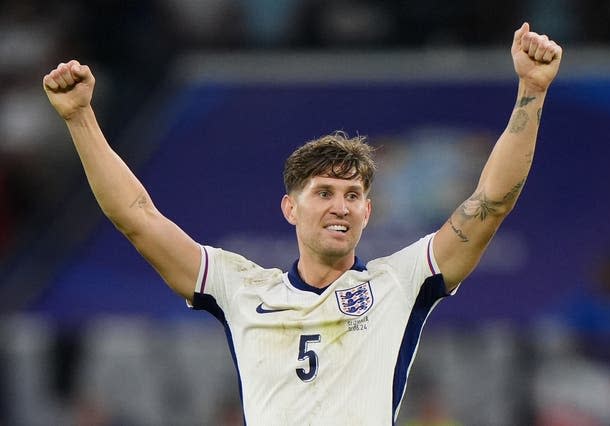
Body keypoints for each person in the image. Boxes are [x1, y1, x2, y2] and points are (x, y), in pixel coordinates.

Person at [43, 23, 562, 425]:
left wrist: (531, 92)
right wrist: (80, 118)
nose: (340, 206)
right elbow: (137, 218)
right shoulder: (238, 286)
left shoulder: (398, 283)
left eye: (353, 195)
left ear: (368, 213)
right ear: (291, 208)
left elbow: (490, 202)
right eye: (324, 193)